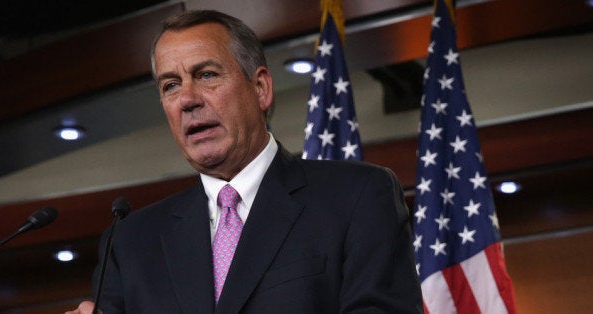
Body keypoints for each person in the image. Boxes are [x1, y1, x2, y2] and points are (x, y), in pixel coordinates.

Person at [67, 10, 422, 314]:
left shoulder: (356, 196)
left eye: (206, 75)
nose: (187, 99)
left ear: (261, 89)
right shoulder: (130, 242)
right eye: (170, 85)